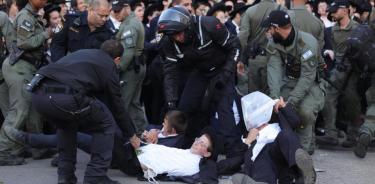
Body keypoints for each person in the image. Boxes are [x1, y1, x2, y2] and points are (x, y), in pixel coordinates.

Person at [28, 40, 140, 184]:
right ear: (117, 59)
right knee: (105, 124)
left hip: (39, 94)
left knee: (67, 127)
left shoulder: (83, 54)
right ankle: (96, 176)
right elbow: (117, 106)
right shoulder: (109, 66)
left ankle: (65, 176)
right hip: (65, 97)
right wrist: (131, 135)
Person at [157, 6, 241, 154]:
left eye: (178, 33)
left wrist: (226, 73)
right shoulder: (168, 43)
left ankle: (234, 153)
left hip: (222, 69)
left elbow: (235, 47)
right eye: (172, 35)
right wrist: (171, 101)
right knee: (184, 108)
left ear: (188, 26)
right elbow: (170, 73)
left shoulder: (209, 25)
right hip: (200, 72)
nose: (177, 38)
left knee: (224, 110)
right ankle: (184, 148)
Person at [0, 0, 54, 166]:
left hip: (28, 67)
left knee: (32, 110)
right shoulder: (25, 15)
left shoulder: (32, 15)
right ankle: (3, 152)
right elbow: (24, 43)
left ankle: (36, 147)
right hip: (19, 68)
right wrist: (46, 34)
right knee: (19, 111)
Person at [263, 10, 325, 154]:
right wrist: (275, 99)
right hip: (289, 81)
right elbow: (274, 71)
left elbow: (307, 78)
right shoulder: (273, 43)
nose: (268, 31)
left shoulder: (307, 43)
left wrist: (290, 103)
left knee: (304, 112)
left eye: (270, 28)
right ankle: (286, 147)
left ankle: (302, 151)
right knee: (273, 110)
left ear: (277, 28)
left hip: (312, 83)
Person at [239, 91, 316, 184]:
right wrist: (247, 142)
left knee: (285, 135)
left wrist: (283, 107)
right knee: (264, 155)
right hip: (265, 164)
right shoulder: (249, 136)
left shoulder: (278, 124)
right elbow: (234, 160)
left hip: (284, 156)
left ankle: (303, 173)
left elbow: (295, 121)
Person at [319, 0, 361, 147]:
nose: (332, 13)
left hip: (354, 72)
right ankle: (331, 134)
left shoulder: (358, 28)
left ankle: (353, 135)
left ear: (345, 10)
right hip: (338, 71)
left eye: (336, 10)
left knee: (352, 102)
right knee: (328, 99)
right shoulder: (333, 30)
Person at [237, 0, 285, 95]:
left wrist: (241, 59)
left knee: (255, 95)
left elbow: (242, 37)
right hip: (275, 58)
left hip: (254, 59)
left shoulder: (250, 11)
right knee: (273, 95)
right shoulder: (282, 10)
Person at [116, 0, 147, 134]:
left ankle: (127, 134)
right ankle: (141, 131)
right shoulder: (130, 22)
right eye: (114, 10)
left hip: (130, 68)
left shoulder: (130, 25)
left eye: (118, 10)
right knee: (134, 103)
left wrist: (117, 69)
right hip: (135, 66)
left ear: (126, 7)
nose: (116, 14)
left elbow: (127, 52)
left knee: (124, 103)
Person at [50, 0, 115, 62]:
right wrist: (60, 64)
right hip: (66, 64)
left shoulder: (109, 30)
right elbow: (57, 43)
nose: (104, 19)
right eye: (101, 15)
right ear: (90, 10)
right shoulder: (69, 19)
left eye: (106, 16)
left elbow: (107, 57)